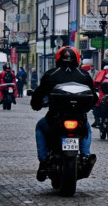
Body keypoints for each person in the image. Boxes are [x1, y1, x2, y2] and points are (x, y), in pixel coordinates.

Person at [30, 46, 97, 182]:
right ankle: (85, 155)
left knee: (40, 127)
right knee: (87, 129)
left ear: (58, 59)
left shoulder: (51, 74)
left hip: (55, 119)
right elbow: (93, 97)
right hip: (79, 119)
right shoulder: (84, 75)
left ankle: (43, 161)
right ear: (77, 59)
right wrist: (86, 108)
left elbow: (38, 94)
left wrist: (36, 105)